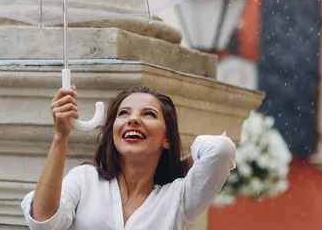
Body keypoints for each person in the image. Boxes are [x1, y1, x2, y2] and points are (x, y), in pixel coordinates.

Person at [21, 84, 236, 229]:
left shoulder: (177, 197)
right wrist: (60, 136)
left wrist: (181, 164)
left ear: (167, 139)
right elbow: (43, 221)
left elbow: (220, 149)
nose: (133, 119)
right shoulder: (85, 179)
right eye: (124, 113)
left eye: (149, 114)